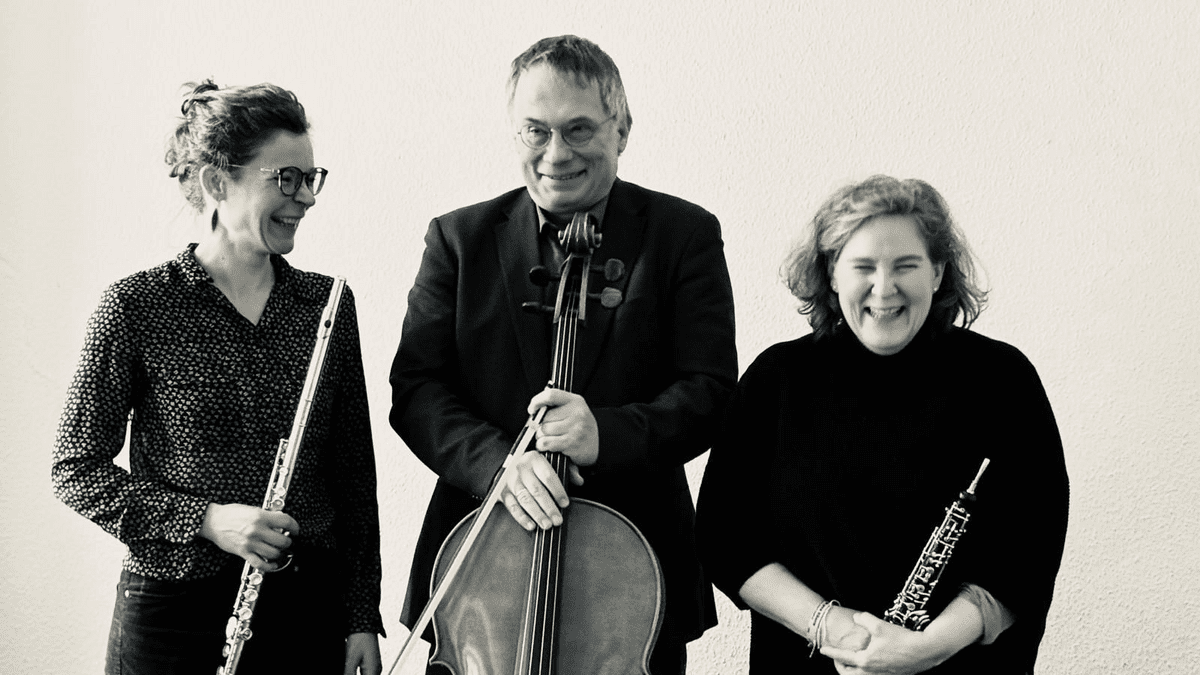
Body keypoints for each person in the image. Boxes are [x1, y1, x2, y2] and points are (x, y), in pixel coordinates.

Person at [389, 35, 737, 674]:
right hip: (479, 571)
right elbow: (416, 389)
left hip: (634, 583)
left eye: (579, 130)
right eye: (536, 131)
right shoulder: (459, 239)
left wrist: (606, 433)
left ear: (621, 129)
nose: (556, 153)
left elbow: (710, 392)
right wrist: (499, 465)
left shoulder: (683, 235)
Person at [52, 80, 384, 675]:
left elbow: (353, 476)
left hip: (305, 611)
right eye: (286, 178)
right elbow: (75, 469)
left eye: (312, 178)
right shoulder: (137, 305)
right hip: (171, 613)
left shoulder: (327, 305)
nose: (307, 197)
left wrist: (360, 615)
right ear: (216, 182)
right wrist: (208, 520)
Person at [696, 175, 1069, 674]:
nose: (884, 287)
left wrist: (926, 648)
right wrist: (833, 629)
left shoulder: (1002, 379)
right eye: (863, 266)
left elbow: (1030, 546)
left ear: (937, 273)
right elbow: (726, 536)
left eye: (906, 266)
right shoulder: (776, 380)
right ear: (832, 273)